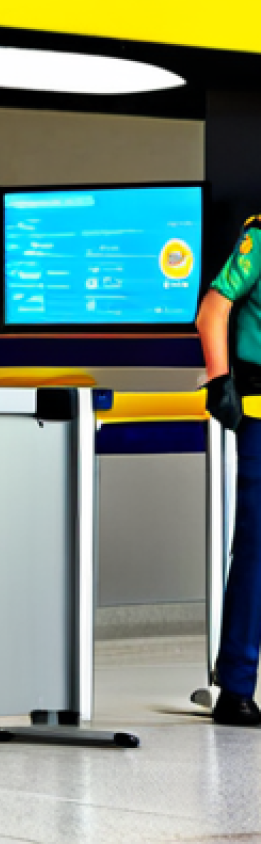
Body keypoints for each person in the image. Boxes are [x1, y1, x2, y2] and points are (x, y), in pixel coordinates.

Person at [198, 213, 261, 725]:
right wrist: (221, 383)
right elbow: (213, 310)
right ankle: (236, 687)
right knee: (258, 550)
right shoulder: (260, 235)